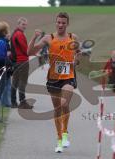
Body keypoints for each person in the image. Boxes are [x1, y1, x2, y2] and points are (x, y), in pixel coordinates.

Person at [28, 12, 80, 153]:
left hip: (68, 77)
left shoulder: (72, 37)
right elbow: (30, 51)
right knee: (57, 109)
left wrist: (76, 60)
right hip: (53, 79)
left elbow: (78, 51)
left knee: (65, 103)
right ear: (55, 23)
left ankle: (65, 134)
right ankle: (59, 140)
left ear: (67, 24)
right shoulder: (48, 38)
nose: (61, 25)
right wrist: (34, 37)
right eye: (59, 22)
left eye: (63, 23)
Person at [10, 17, 32, 109]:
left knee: (15, 82)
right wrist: (30, 52)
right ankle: (22, 102)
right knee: (22, 81)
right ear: (18, 24)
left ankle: (13, 102)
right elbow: (25, 49)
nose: (25, 26)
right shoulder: (19, 34)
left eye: (25, 25)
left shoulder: (14, 33)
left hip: (16, 61)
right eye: (23, 24)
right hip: (22, 61)